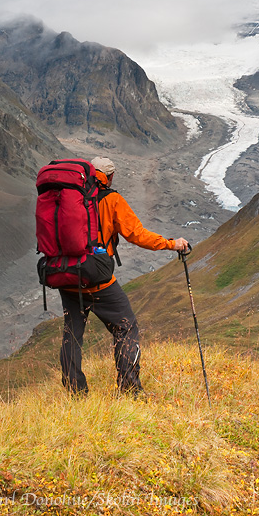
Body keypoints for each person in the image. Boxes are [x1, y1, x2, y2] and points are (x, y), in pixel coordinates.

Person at [59, 155, 189, 397]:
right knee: (126, 327)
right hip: (98, 280)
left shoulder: (66, 195)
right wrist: (172, 244)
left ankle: (75, 394)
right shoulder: (111, 200)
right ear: (109, 177)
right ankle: (130, 390)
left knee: (72, 334)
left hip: (67, 277)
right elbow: (137, 235)